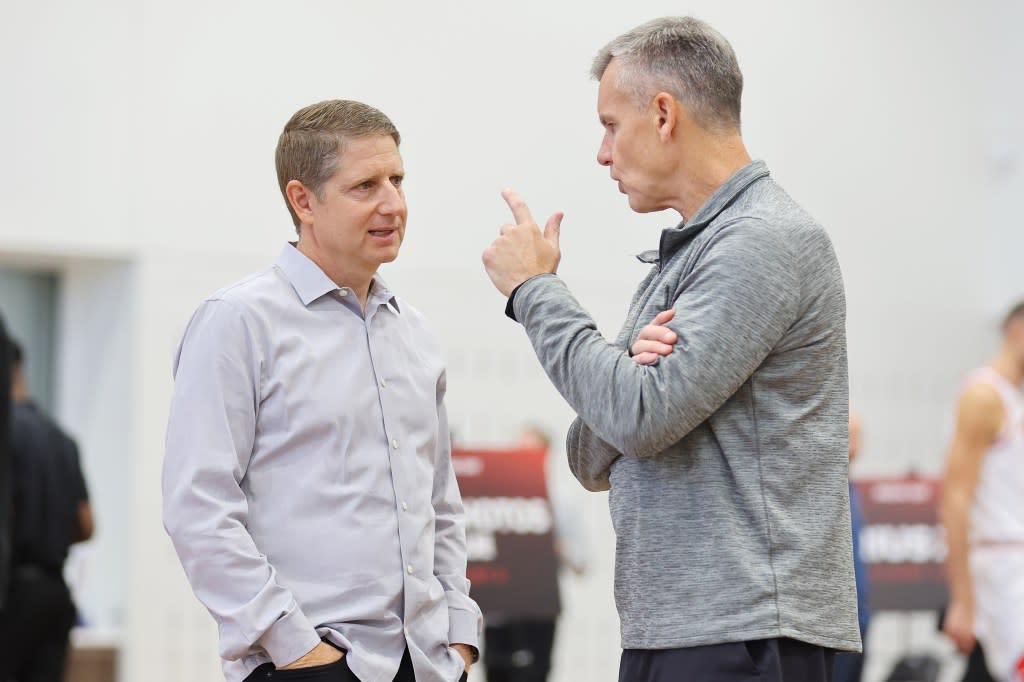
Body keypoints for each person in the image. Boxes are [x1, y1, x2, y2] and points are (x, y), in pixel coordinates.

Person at [481, 16, 859, 682]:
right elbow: (587, 452)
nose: (602, 153)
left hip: (746, 634)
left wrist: (535, 292)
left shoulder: (763, 241)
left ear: (662, 115)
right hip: (684, 630)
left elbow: (635, 418)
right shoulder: (693, 252)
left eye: (609, 124)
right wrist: (626, 369)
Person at [162, 99, 481, 682]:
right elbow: (198, 507)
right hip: (311, 662)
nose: (394, 204)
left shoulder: (415, 332)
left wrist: (459, 635)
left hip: (428, 663)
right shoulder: (237, 322)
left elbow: (439, 502)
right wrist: (294, 649)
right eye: (365, 186)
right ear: (303, 200)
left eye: (398, 180)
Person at [0, 338, 93, 682]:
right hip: (56, 595)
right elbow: (86, 525)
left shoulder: (6, 433)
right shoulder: (62, 439)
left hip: (11, 596)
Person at [940, 301, 1024, 682]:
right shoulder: (984, 396)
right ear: (1017, 332)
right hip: (1000, 572)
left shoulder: (1015, 397)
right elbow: (955, 496)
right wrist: (962, 601)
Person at [481, 427, 588, 682]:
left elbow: (584, 561)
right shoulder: (498, 495)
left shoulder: (560, 498)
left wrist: (553, 546)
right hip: (501, 611)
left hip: (538, 613)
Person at [834, 412, 871, 682]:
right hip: (835, 627)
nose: (853, 444)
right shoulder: (827, 495)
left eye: (856, 436)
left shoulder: (852, 491)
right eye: (848, 435)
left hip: (859, 620)